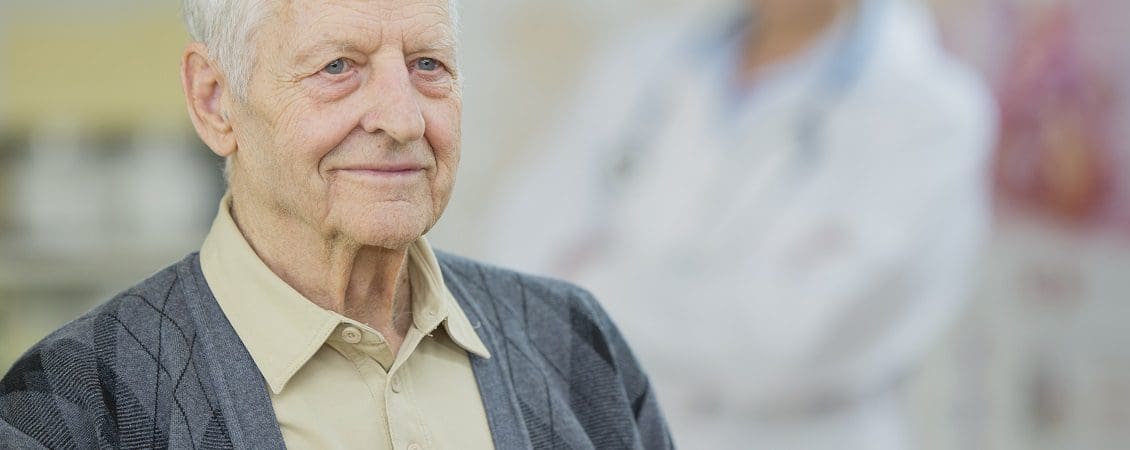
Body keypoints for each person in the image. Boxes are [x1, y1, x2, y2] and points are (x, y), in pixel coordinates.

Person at [0, 0, 672, 448]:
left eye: (428, 65)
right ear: (214, 101)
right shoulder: (74, 405)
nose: (403, 119)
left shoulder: (574, 344)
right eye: (338, 68)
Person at [482, 0, 994, 448]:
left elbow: (787, 340)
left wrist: (590, 289)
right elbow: (515, 263)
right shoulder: (642, 65)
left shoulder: (932, 114)